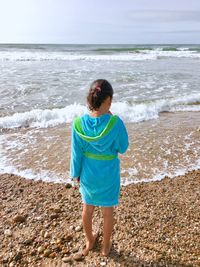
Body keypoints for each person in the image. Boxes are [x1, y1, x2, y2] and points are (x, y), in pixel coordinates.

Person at [70, 79, 129, 256]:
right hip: (108, 175)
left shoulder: (78, 124)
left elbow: (76, 154)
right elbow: (123, 147)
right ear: (109, 100)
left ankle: (90, 241)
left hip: (88, 174)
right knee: (107, 212)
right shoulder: (115, 123)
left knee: (87, 210)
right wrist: (111, 119)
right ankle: (105, 247)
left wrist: (75, 174)